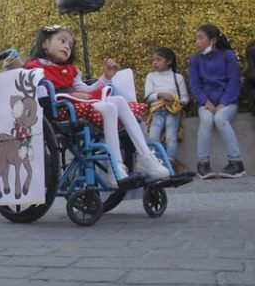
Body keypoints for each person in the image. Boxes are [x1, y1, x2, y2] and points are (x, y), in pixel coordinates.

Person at [24, 25, 170, 185]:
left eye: (70, 45)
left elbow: (86, 90)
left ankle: (143, 157)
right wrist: (72, 96)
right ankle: (116, 167)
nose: (67, 47)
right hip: (59, 110)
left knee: (119, 101)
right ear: (45, 44)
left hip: (76, 106)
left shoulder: (70, 70)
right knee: (109, 107)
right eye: (62, 41)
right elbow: (40, 97)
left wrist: (105, 77)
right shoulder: (34, 68)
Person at [188, 24, 246, 178]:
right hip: (206, 103)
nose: (197, 42)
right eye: (197, 38)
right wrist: (205, 102)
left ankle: (236, 163)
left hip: (227, 102)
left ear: (212, 40)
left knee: (220, 118)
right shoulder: (195, 60)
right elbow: (195, 84)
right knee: (206, 120)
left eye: (201, 38)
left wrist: (223, 103)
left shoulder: (228, 55)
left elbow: (234, 81)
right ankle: (203, 164)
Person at [144, 47, 189, 172]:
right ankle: (157, 162)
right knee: (153, 136)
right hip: (157, 109)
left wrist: (178, 101)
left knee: (171, 137)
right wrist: (160, 95)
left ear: (169, 61)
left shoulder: (177, 77)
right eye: (153, 60)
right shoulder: (151, 76)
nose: (155, 63)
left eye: (159, 60)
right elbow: (147, 97)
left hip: (173, 110)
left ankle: (170, 162)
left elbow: (185, 97)